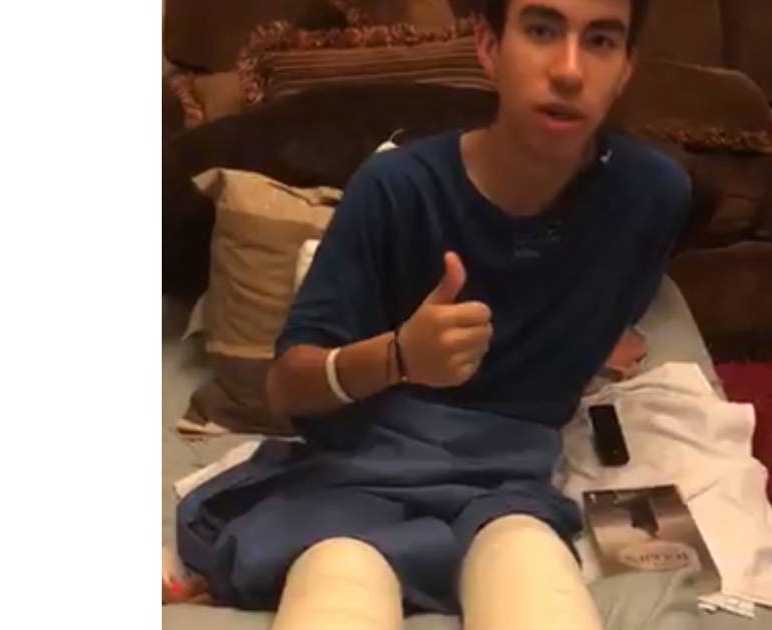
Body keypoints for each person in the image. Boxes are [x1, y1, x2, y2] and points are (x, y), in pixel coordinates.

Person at [171, 1, 692, 629]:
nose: (569, 70)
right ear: (489, 47)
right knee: (339, 579)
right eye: (541, 31)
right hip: (357, 479)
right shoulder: (395, 187)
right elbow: (286, 387)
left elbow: (617, 300)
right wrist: (398, 357)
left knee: (531, 572)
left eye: (601, 41)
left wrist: (589, 337)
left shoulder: (651, 197)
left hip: (508, 488)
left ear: (627, 68)